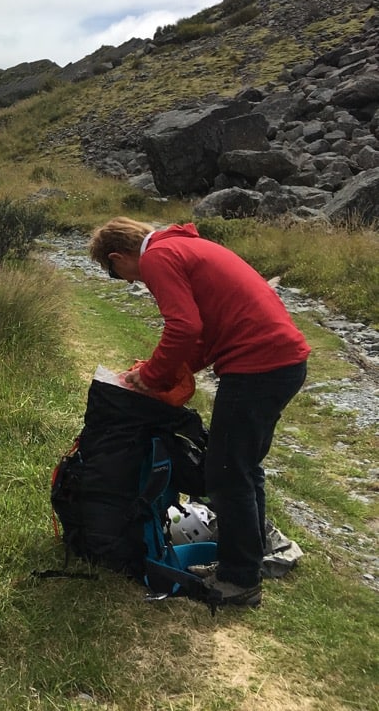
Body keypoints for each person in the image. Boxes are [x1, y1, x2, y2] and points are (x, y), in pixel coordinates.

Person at [88, 217, 310, 608]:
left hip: (257, 367)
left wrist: (153, 376)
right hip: (281, 363)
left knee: (225, 474)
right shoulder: (182, 246)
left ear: (117, 256)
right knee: (241, 468)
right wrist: (172, 372)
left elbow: (184, 327)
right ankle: (242, 562)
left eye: (116, 274)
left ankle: (239, 582)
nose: (127, 282)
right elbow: (204, 333)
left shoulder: (157, 256)